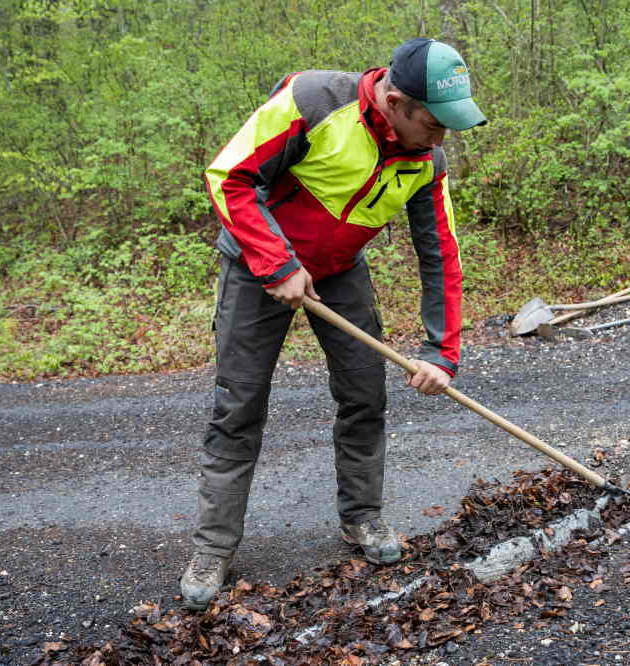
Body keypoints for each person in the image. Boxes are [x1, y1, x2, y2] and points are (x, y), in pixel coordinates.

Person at [180, 38, 487, 610]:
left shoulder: (428, 160)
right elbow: (229, 176)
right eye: (433, 123)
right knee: (240, 403)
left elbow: (441, 253)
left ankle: (363, 519)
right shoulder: (313, 100)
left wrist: (441, 352)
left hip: (340, 272)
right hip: (257, 264)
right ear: (395, 101)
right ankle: (214, 546)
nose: (442, 137)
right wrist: (275, 262)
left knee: (364, 395)